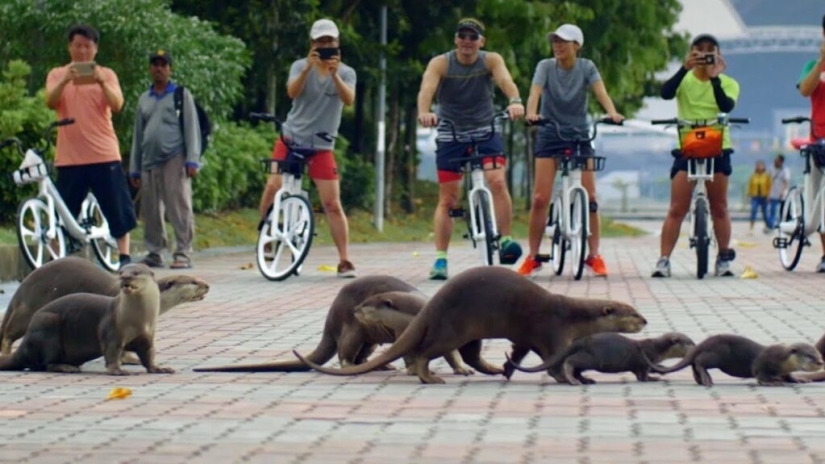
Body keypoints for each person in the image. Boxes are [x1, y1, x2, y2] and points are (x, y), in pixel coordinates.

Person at [416, 17, 524, 280]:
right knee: (448, 199)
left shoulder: (490, 60)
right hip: (451, 132)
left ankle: (506, 238)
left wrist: (515, 100)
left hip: (485, 129)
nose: (467, 42)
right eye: (462, 36)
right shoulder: (441, 63)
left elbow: (505, 81)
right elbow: (427, 88)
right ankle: (441, 259)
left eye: (472, 37)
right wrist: (424, 112)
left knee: (497, 181)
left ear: (481, 42)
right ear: (456, 39)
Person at [516, 24, 623, 278]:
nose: (558, 45)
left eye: (563, 41)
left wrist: (612, 113)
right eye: (555, 41)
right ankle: (533, 256)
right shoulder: (545, 66)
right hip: (550, 132)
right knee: (540, 198)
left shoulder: (587, 67)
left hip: (579, 134)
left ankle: (594, 255)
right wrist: (532, 113)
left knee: (592, 198)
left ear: (577, 45)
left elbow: (601, 92)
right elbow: (535, 92)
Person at [257, 19, 357, 278]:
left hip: (322, 145)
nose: (325, 46)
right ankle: (266, 241)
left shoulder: (346, 72)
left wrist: (333, 73)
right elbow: (292, 92)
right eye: (320, 42)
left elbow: (349, 100)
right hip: (291, 138)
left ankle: (344, 260)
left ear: (337, 44)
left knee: (332, 203)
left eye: (329, 42)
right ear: (312, 44)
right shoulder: (300, 66)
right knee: (272, 186)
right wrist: (308, 69)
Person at [45, 24, 136, 269]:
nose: (82, 51)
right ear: (69, 47)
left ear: (95, 49)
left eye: (87, 46)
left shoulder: (107, 74)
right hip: (69, 157)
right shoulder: (57, 74)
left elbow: (117, 104)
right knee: (62, 212)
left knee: (117, 207)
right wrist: (65, 80)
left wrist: (101, 83)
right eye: (77, 46)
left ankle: (124, 256)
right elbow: (50, 101)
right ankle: (55, 262)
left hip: (103, 153)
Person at [651, 33, 740, 278]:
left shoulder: (728, 82)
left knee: (719, 206)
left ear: (718, 54)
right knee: (677, 207)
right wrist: (683, 69)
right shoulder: (685, 80)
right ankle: (664, 260)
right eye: (698, 50)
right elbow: (666, 93)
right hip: (688, 146)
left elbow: (726, 106)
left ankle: (723, 257)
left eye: (710, 50)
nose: (704, 54)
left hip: (718, 146)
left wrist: (714, 78)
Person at [129, 49, 201, 269]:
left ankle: (183, 251)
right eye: (155, 64)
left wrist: (192, 159)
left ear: (170, 68)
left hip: (175, 157)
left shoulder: (181, 94)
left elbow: (191, 127)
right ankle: (154, 251)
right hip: (148, 160)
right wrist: (134, 167)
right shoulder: (144, 98)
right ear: (150, 68)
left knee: (178, 205)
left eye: (163, 64)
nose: (159, 68)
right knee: (151, 210)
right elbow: (138, 135)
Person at [797, 14, 825, 272]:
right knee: (819, 197)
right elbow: (805, 89)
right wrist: (822, 61)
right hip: (820, 140)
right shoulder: (812, 67)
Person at [746, 160, 770, 234]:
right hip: (755, 196)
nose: (759, 167)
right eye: (758, 165)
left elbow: (769, 186)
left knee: (765, 213)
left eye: (761, 165)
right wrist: (748, 194)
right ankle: (751, 228)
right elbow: (749, 186)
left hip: (764, 197)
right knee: (753, 211)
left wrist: (768, 196)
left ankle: (766, 227)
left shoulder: (766, 176)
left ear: (763, 167)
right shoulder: (753, 176)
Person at [766, 154, 790, 229]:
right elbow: (767, 180)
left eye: (777, 160)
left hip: (781, 193)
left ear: (781, 161)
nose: (775, 161)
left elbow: (786, 182)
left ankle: (781, 224)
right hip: (772, 192)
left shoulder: (785, 170)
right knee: (772, 210)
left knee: (782, 210)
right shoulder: (770, 168)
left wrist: (783, 191)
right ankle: (771, 225)